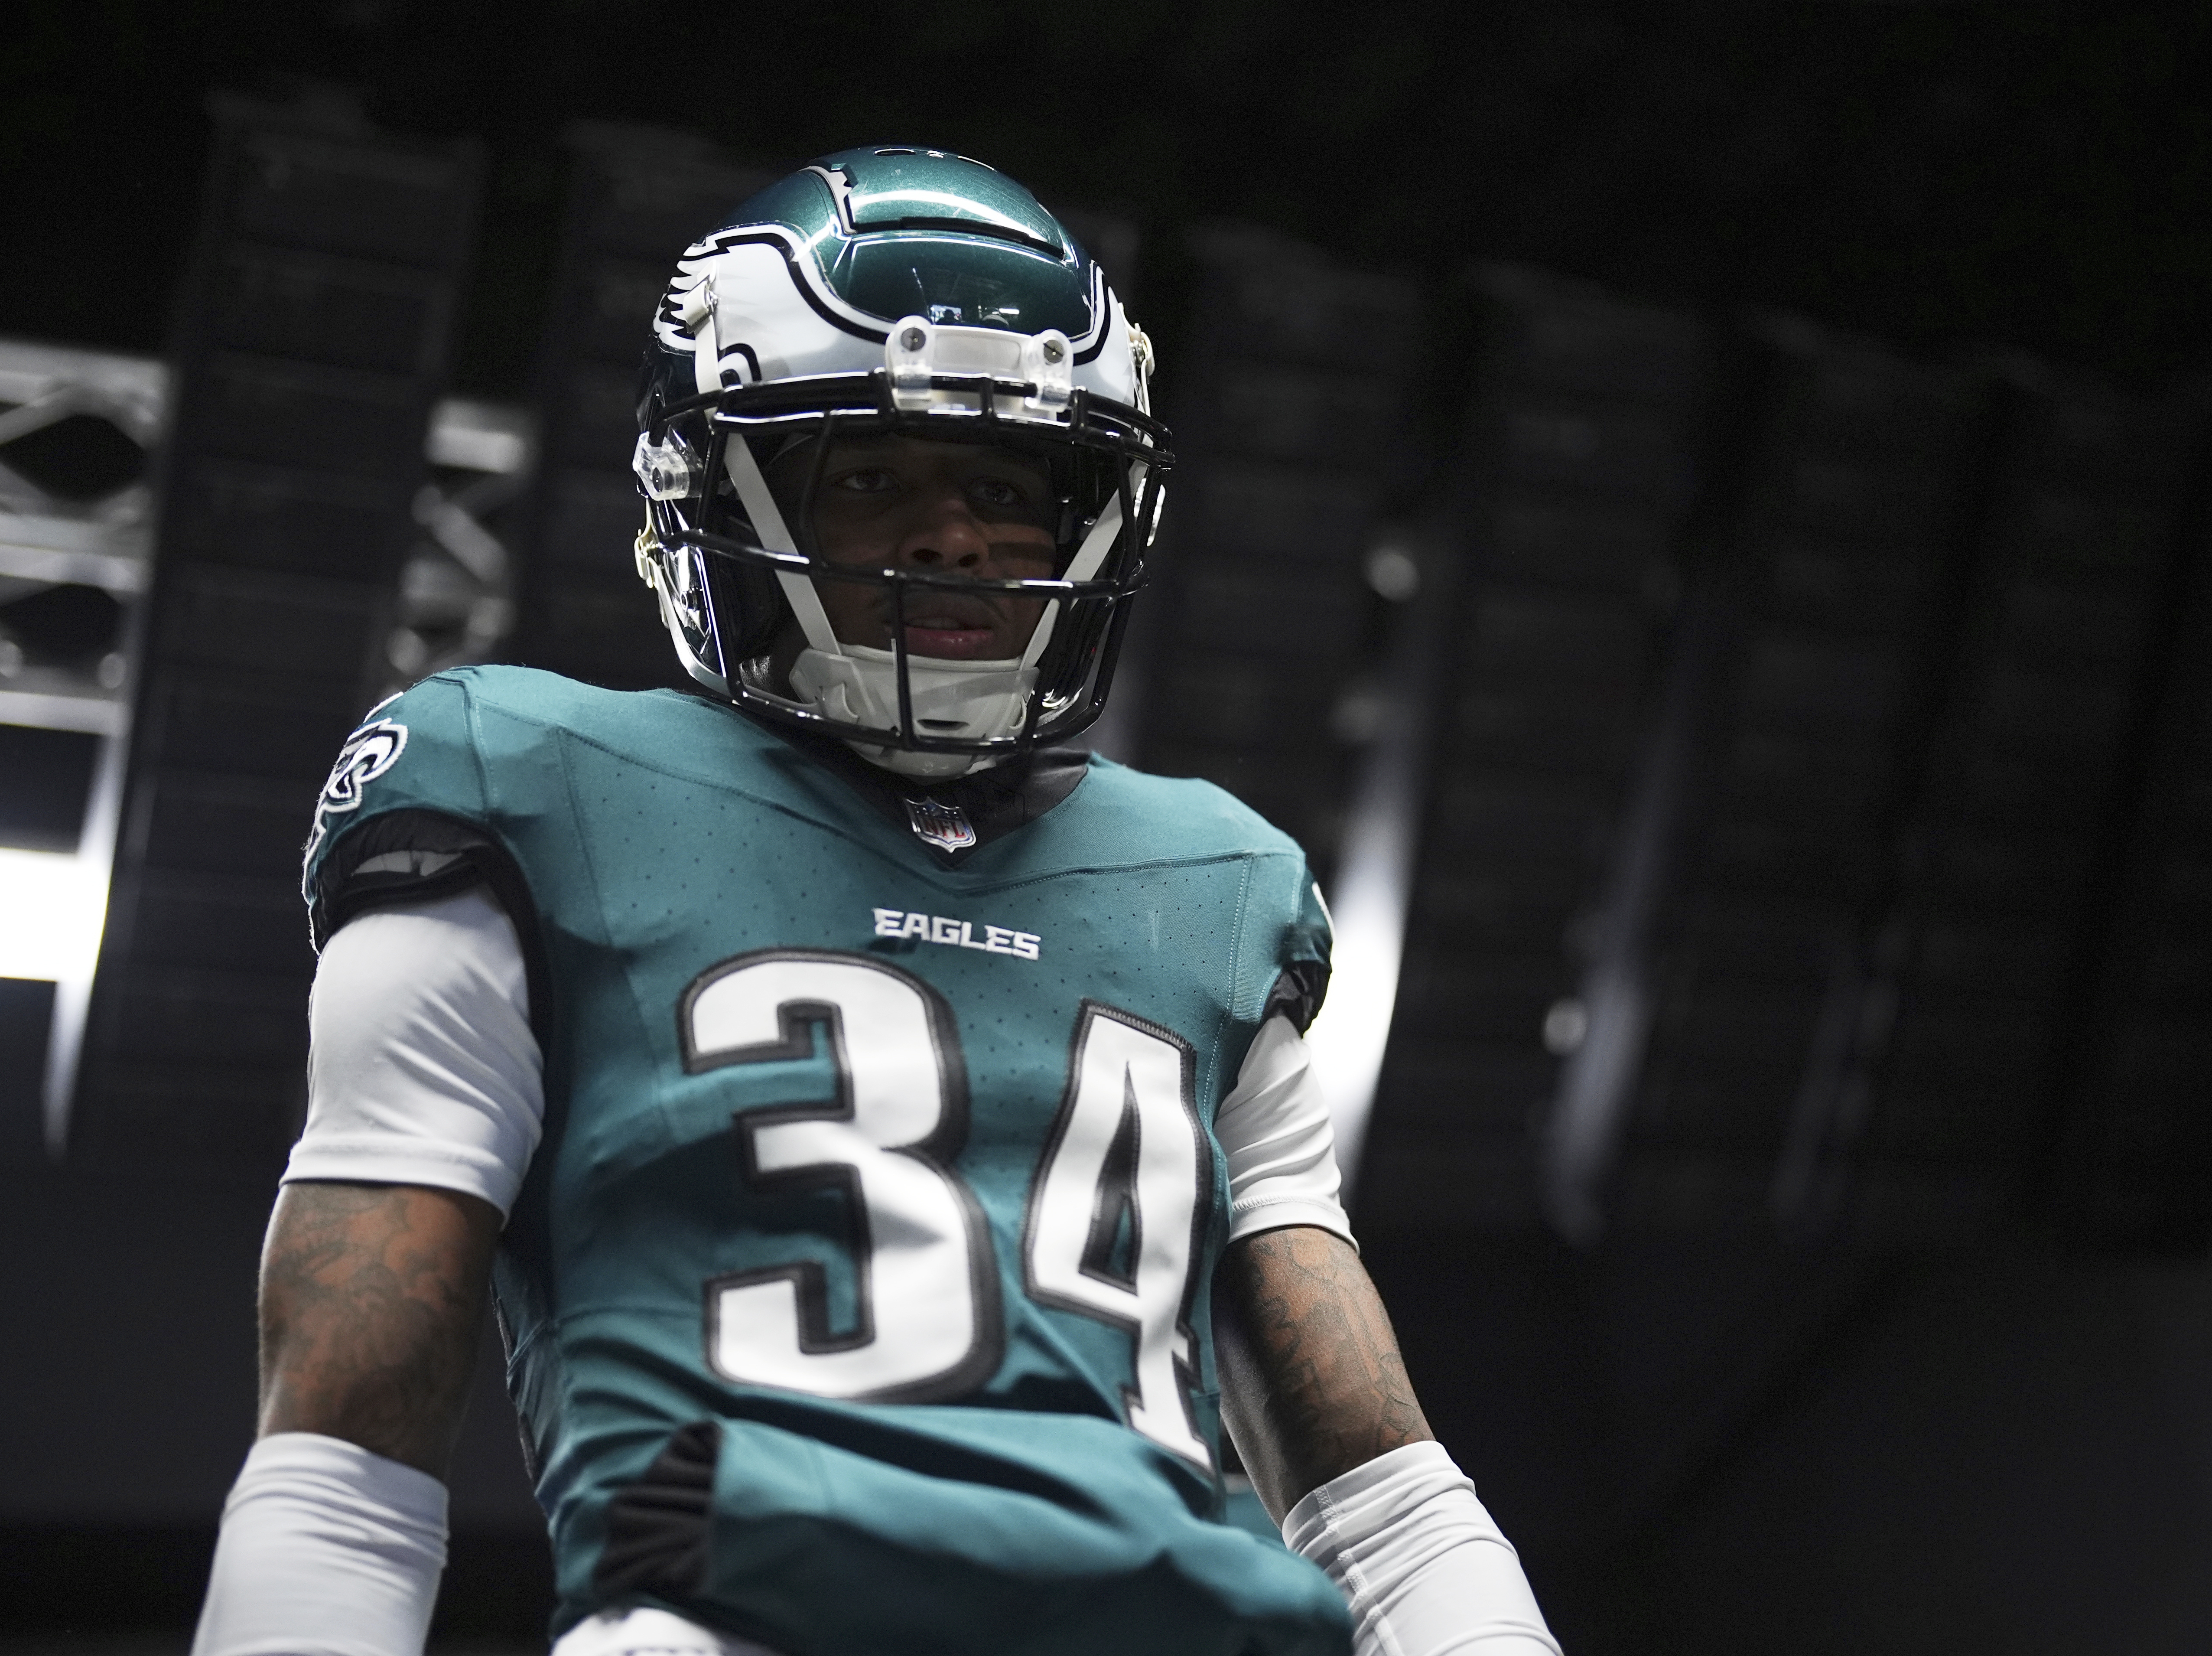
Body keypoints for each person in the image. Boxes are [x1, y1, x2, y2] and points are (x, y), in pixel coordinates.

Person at [191, 146, 1557, 1656]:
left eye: (1004, 486)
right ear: (713, 492)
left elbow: (1380, 1492)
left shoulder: (1215, 879)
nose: (953, 535)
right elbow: (342, 1454)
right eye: (870, 477)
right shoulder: (523, 782)